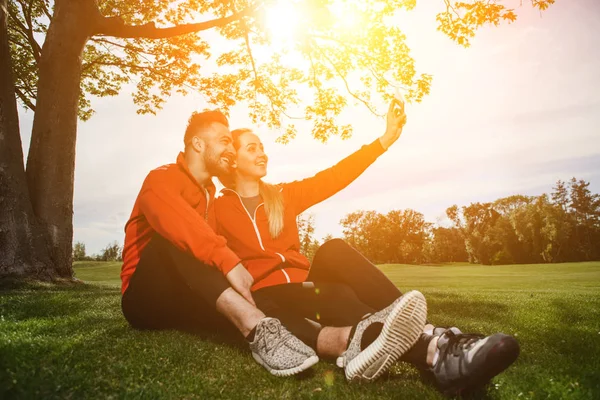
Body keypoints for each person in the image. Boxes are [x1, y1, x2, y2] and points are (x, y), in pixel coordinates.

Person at [214, 100, 520, 393]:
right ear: (233, 159)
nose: (262, 153)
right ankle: (436, 351)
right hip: (269, 298)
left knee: (333, 249)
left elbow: (334, 176)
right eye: (251, 148)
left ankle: (431, 336)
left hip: (305, 286)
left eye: (262, 147)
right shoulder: (217, 209)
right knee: (339, 296)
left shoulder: (283, 196)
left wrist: (384, 140)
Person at [120, 110, 321, 377]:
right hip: (144, 297)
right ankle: (256, 325)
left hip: (185, 298)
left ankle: (334, 340)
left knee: (246, 302)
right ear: (198, 144)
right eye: (224, 141)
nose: (231, 149)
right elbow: (180, 227)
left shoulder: (212, 198)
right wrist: (229, 262)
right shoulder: (162, 177)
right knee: (179, 239)